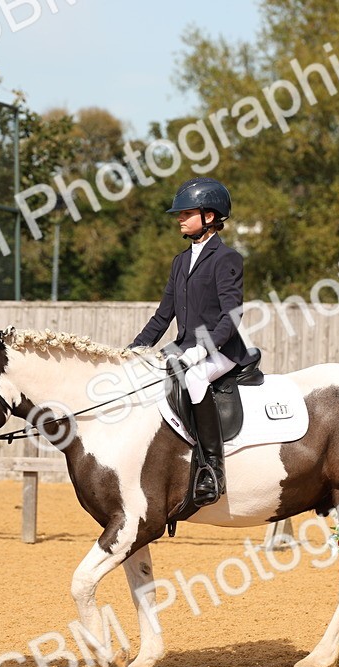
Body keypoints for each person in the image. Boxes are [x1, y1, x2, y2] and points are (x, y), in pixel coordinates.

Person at [130, 177, 252, 506]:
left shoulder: (227, 259)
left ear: (209, 217)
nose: (180, 219)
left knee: (196, 378)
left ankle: (213, 469)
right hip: (184, 347)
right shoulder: (180, 261)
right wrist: (134, 351)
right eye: (179, 214)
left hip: (222, 349)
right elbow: (162, 316)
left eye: (186, 213)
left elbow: (232, 315)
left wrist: (204, 347)